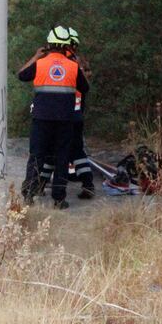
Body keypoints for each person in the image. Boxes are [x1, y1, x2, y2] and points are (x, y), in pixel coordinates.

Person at [17, 25, 89, 209]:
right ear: (67, 45)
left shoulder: (40, 63)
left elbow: (21, 75)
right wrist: (78, 68)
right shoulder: (73, 66)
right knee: (62, 157)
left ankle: (29, 195)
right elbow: (85, 87)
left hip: (41, 119)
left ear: (49, 44)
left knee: (37, 156)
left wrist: (36, 56)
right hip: (65, 120)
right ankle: (58, 199)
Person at [63, 29, 95, 199]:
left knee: (53, 149)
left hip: (64, 114)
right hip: (76, 113)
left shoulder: (66, 63)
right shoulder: (76, 62)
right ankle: (88, 184)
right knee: (77, 150)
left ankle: (40, 185)